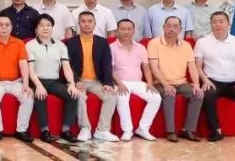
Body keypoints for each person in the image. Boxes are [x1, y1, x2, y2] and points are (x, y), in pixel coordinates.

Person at [195, 11, 235, 146]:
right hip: (212, 81)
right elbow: (198, 66)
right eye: (214, 22)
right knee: (208, 95)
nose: (217, 25)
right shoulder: (202, 42)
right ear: (211, 24)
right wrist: (205, 79)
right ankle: (216, 130)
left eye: (221, 21)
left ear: (228, 24)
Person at [65, 11, 119, 142]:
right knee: (79, 95)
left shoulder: (102, 42)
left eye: (90, 21)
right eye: (83, 21)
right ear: (78, 24)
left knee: (111, 95)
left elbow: (107, 64)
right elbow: (68, 64)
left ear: (95, 24)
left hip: (96, 81)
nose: (86, 24)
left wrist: (107, 83)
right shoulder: (70, 42)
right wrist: (76, 81)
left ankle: (102, 130)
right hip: (78, 80)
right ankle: (85, 128)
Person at [148, 16, 204, 142]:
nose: (171, 29)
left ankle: (188, 130)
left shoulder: (186, 45)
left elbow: (192, 67)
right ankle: (171, 131)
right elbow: (154, 68)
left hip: (181, 83)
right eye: (169, 26)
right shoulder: (154, 43)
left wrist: (196, 85)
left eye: (175, 26)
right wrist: (166, 85)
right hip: (160, 83)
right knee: (169, 93)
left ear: (180, 29)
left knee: (198, 94)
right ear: (164, 27)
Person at [26, 14, 81, 143]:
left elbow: (66, 67)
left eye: (48, 25)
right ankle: (44, 131)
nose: (45, 28)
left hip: (54, 82)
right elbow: (30, 69)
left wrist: (71, 84)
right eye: (41, 25)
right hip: (37, 81)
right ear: (36, 29)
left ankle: (66, 130)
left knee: (73, 95)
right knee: (40, 95)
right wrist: (38, 86)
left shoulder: (60, 45)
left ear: (52, 28)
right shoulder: (30, 45)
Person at [0, 15, 34, 142]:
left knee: (28, 97)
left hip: (16, 82)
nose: (4, 27)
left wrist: (26, 85)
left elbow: (23, 65)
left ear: (11, 27)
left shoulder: (19, 43)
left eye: (7, 25)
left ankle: (21, 130)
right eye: (0, 24)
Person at [110, 19, 161, 141]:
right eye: (123, 29)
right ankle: (127, 130)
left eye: (129, 29)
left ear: (133, 31)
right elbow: (110, 69)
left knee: (156, 98)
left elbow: (146, 68)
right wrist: (120, 84)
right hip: (120, 82)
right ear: (117, 31)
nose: (126, 32)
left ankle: (143, 128)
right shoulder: (111, 47)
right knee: (122, 97)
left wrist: (150, 83)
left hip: (138, 82)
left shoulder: (141, 47)